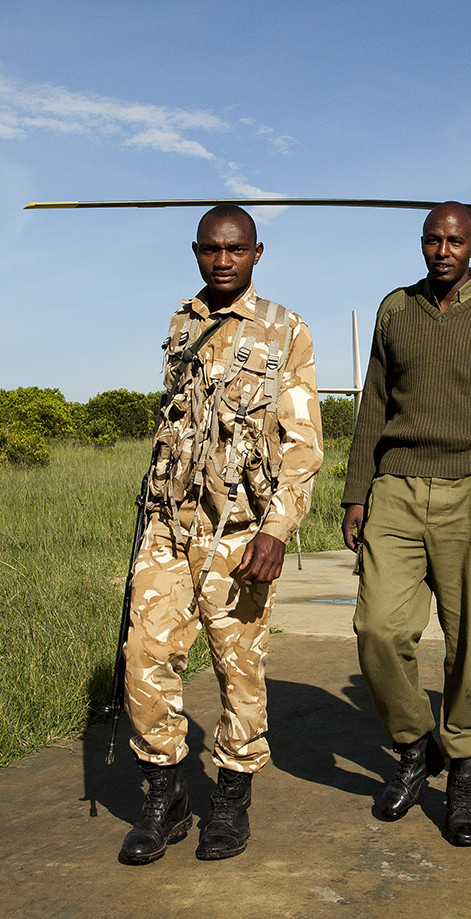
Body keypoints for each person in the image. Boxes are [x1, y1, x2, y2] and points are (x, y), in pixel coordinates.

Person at [341, 201, 471, 848]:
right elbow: (373, 406)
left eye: (455, 241)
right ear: (422, 244)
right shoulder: (394, 312)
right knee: (377, 628)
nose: (442, 251)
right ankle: (413, 745)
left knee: (467, 642)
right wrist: (356, 493)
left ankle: (463, 775)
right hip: (397, 487)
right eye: (433, 240)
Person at [118, 204, 323, 864]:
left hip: (238, 533)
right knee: (143, 661)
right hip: (169, 526)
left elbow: (302, 443)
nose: (223, 259)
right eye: (211, 249)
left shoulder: (285, 330)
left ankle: (231, 801)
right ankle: (165, 797)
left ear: (256, 253)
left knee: (239, 671)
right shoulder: (183, 322)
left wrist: (279, 529)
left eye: (235, 249)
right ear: (198, 252)